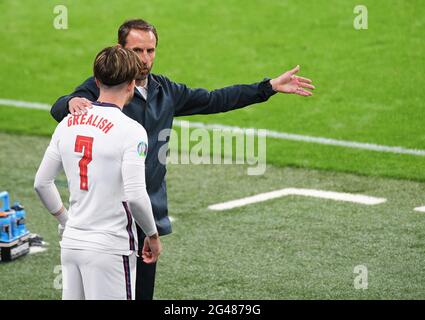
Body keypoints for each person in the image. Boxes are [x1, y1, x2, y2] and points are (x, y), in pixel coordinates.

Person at [50, 19, 315, 300]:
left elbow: (215, 99)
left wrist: (268, 87)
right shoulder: (101, 88)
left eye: (150, 51)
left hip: (147, 210)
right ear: (120, 49)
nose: (145, 59)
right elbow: (60, 108)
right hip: (109, 218)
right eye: (137, 50)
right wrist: (69, 102)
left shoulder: (165, 90)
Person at [35, 45, 162, 300]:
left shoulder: (67, 122)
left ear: (96, 81)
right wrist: (152, 235)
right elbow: (136, 197)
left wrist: (66, 222)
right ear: (130, 85)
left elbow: (41, 183)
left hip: (71, 245)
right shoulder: (132, 130)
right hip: (111, 248)